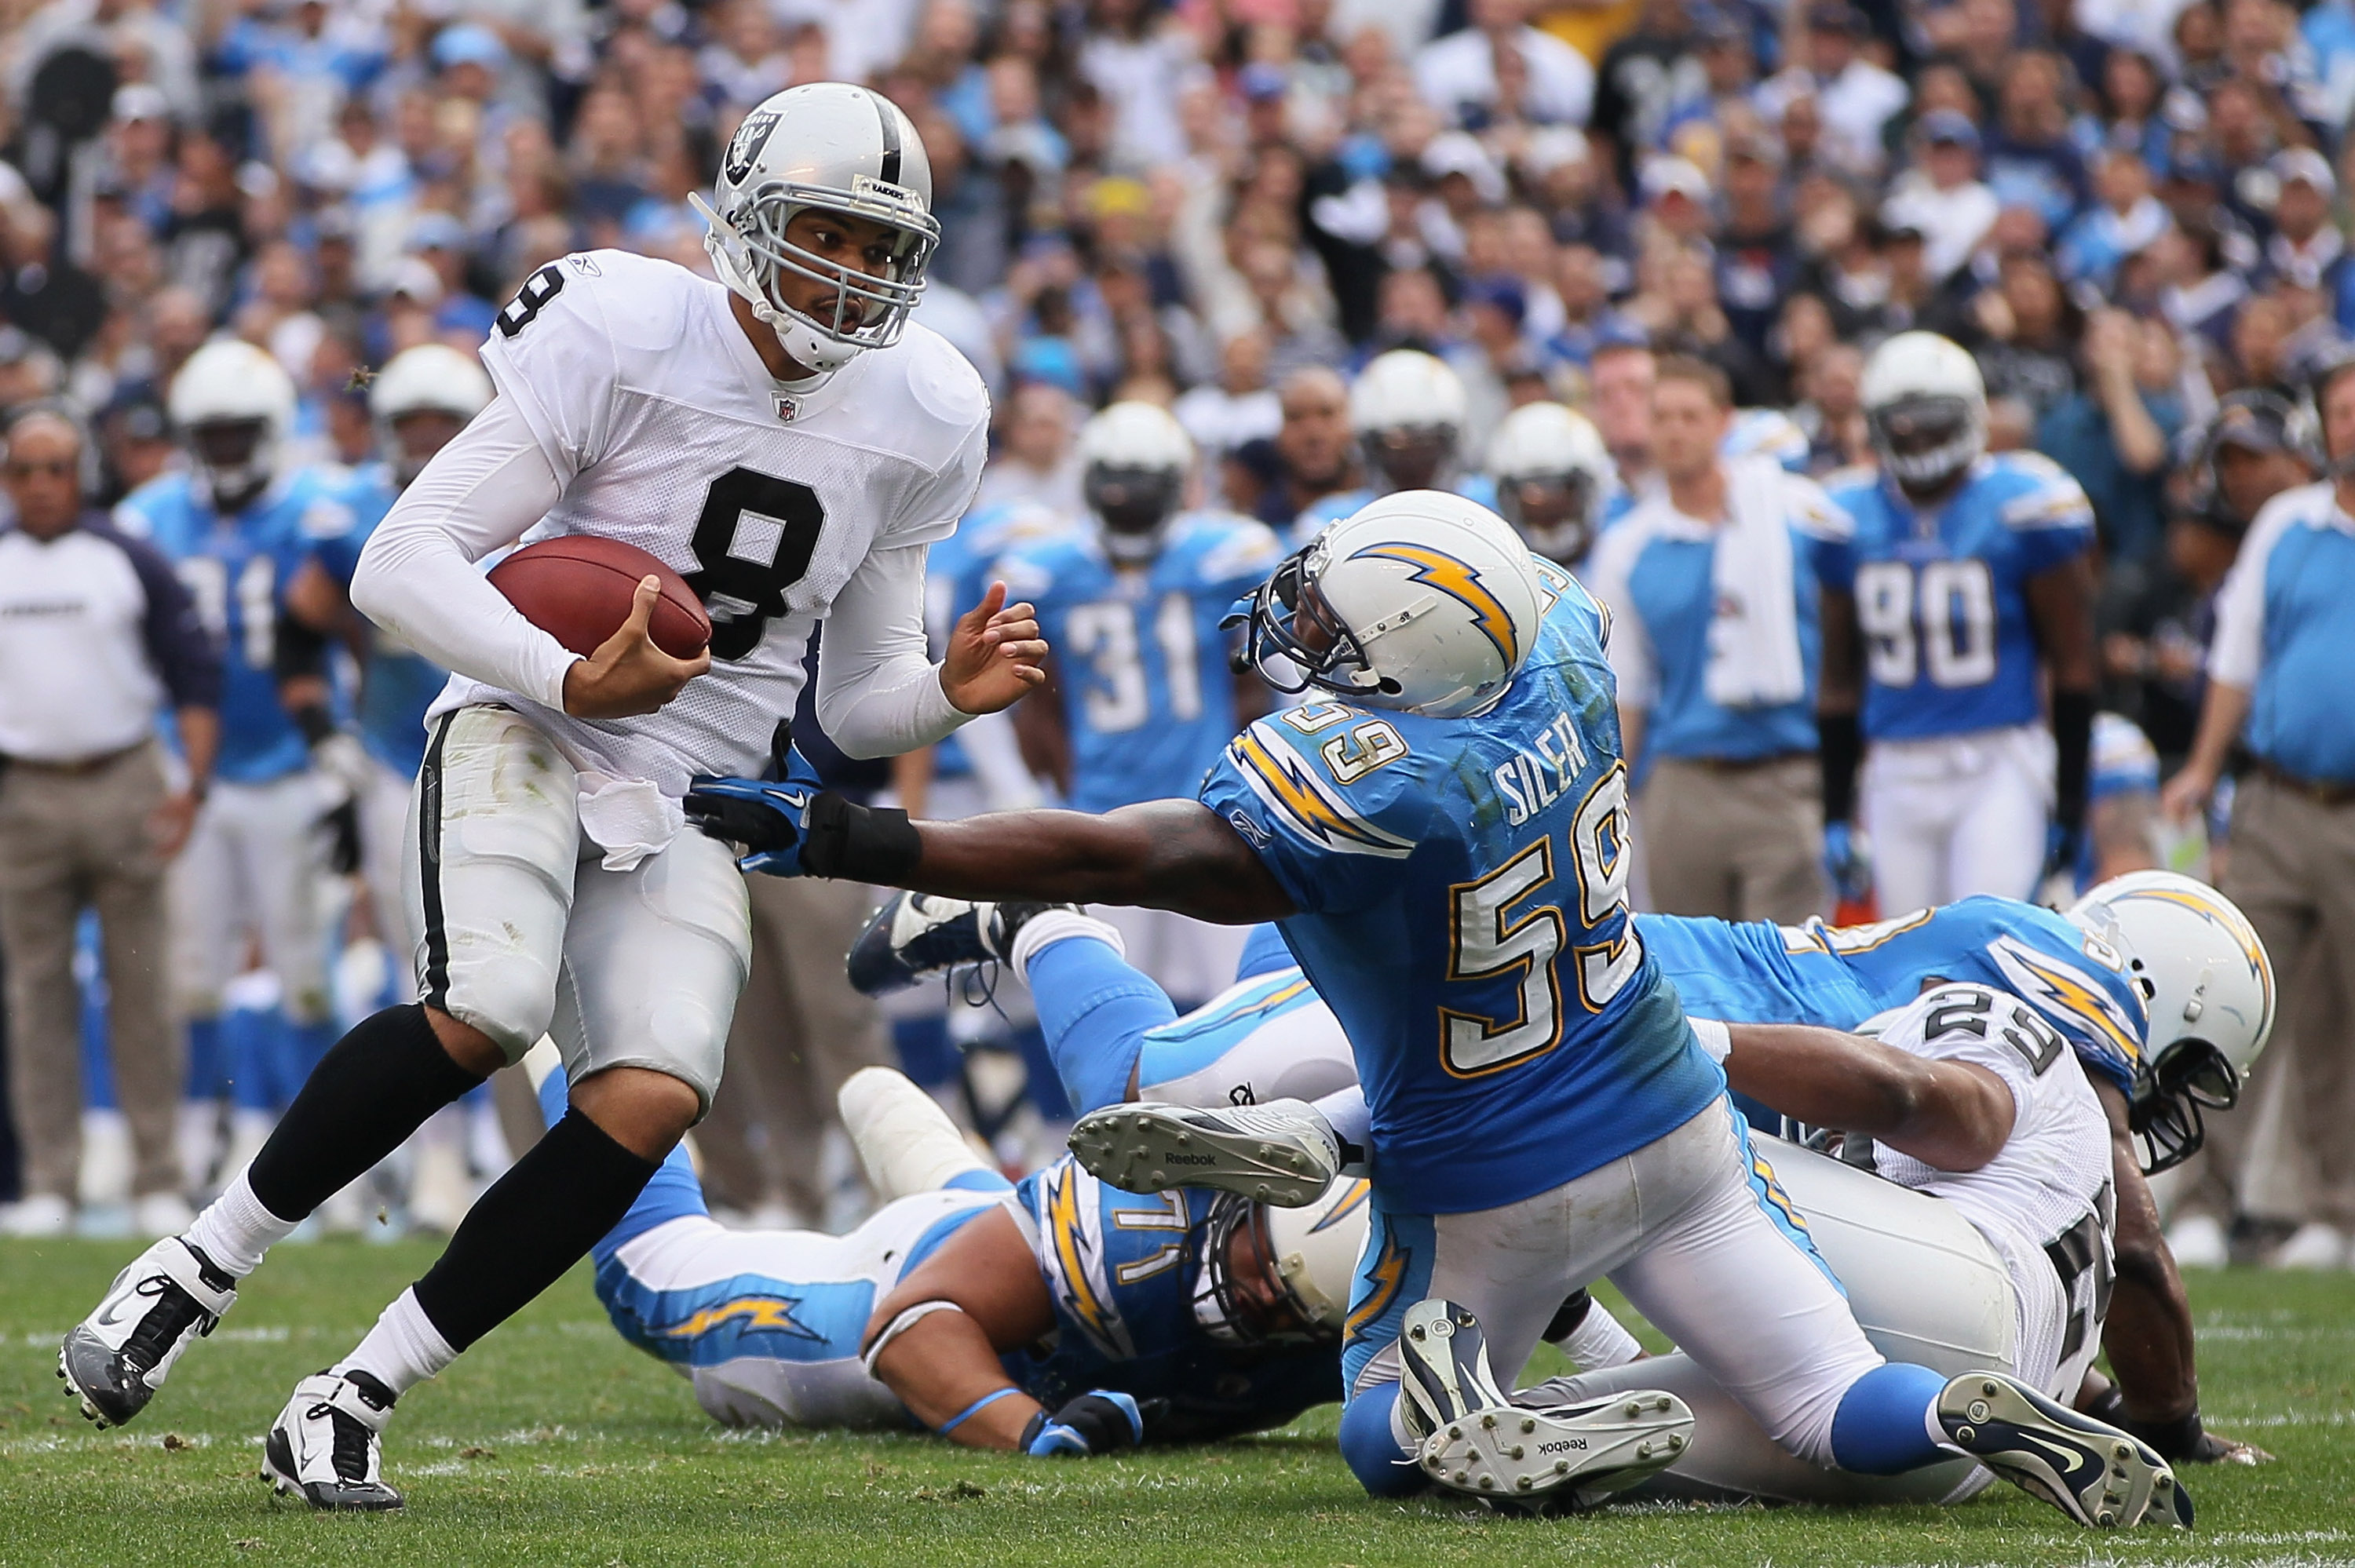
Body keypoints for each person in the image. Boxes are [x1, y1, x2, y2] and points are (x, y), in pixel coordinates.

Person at [685, 493, 2189, 1526]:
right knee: (1825, 1391)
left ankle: (1419, 1308)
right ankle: (1948, 1415)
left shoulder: (1380, 782)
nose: (1316, 646)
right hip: (1670, 1108)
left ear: (1396, 661)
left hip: (1487, 1169)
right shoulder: (1567, 668)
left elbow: (1121, 848)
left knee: (1382, 1444)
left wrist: (859, 835)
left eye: (1343, 632)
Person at [59, 83, 1047, 1514]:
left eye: (880, 244)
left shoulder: (926, 409)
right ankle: (193, 1266)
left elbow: (850, 699)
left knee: (648, 1099)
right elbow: (398, 560)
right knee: (492, 1005)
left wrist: (946, 692)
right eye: (824, 228)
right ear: (751, 217)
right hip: (528, 719)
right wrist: (566, 677)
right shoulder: (627, 327)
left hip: (699, 781)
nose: (850, 268)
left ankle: (356, 1390)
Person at [530, 1050, 1362, 1449]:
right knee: (648, 1280)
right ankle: (578, 1046)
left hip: (1002, 1241)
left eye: (1294, 1311)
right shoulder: (1141, 1231)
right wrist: (1030, 1431)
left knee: (1001, 1233)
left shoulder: (1360, 1310)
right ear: (1247, 1206)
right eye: (1267, 1273)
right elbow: (912, 1329)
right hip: (908, 1286)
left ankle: (915, 1139)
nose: (1261, 1302)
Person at [117, 341, 370, 1192]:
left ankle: (319, 1153)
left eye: (238, 435)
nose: (225, 451)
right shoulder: (150, 516)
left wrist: (344, 748)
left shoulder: (321, 506)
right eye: (210, 437)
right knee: (194, 974)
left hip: (296, 766)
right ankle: (198, 1140)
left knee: (306, 975)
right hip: (192, 774)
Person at [283, 341, 519, 1233]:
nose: (425, 444)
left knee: (510, 954)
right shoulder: (352, 514)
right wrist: (324, 739)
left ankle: (506, 1153)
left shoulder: (524, 513)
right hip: (393, 757)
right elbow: (296, 632)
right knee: (425, 963)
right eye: (410, 426)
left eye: (441, 427)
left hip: (503, 747)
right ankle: (437, 1165)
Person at [0, 409, 219, 1238]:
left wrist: (192, 785)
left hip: (126, 778)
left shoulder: (125, 558)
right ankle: (50, 1179)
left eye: (56, 468)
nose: (43, 485)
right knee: (35, 992)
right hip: (23, 792)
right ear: (8, 477)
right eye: (26, 470)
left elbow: (193, 670)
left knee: (142, 986)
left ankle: (155, 1176)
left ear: (78, 471)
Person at [2160, 348, 2355, 1272]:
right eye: (2343, 411)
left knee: (2343, 1022)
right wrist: (2203, 766)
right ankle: (2205, 1200)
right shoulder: (2286, 523)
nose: (2353, 424)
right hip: (2278, 797)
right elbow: (2235, 660)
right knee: (2234, 1001)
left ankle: (2337, 1214)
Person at [996, 401, 1282, 1005]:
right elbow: (1035, 702)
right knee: (1125, 1000)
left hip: (1207, 808)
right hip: (1102, 811)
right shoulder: (1048, 568)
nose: (1129, 499)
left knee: (1234, 997)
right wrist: (1061, 790)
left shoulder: (1224, 554)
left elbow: (1254, 684)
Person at [1819, 331, 2100, 916]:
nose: (1917, 438)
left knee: (1987, 938)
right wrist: (1835, 808)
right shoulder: (1846, 516)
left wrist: (2070, 801)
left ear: (1973, 418)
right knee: (1906, 953)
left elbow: (2073, 664)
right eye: (1902, 425)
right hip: (1894, 766)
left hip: (1995, 758)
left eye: (1934, 423)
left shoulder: (2023, 505)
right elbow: (1839, 678)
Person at [1587, 356, 1846, 923]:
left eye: (1690, 416)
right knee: (1696, 973)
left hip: (1783, 769)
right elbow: (1629, 690)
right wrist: (1610, 801)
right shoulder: (1628, 545)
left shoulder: (1795, 513)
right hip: (1684, 778)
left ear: (1724, 422)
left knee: (1787, 967)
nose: (1675, 430)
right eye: (1662, 417)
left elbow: (1847, 640)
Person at [1290, 349, 1495, 542]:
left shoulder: (1492, 502)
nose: (1413, 461)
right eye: (1395, 444)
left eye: (1426, 443)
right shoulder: (1331, 522)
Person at [1484, 399, 1616, 571]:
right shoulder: (1489, 559)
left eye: (1560, 491)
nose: (1546, 507)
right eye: (1530, 494)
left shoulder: (1621, 549)